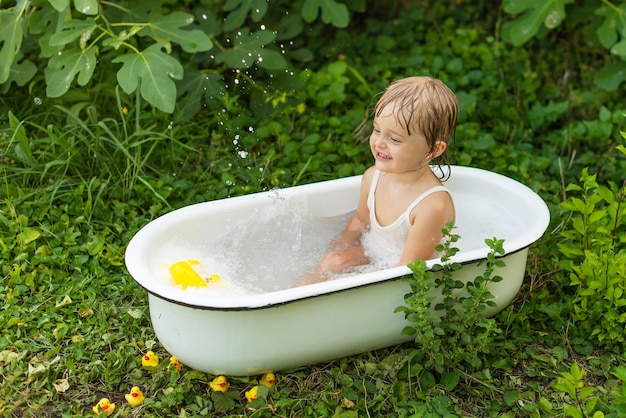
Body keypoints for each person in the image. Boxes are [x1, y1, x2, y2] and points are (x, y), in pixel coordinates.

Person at [292, 76, 458, 287]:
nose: (379, 142)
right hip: (379, 255)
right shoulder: (373, 177)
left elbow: (410, 269)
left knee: (335, 265)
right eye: (377, 130)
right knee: (331, 261)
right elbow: (360, 222)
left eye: (395, 139)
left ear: (433, 150)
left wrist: (357, 277)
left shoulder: (431, 206)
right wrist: (340, 245)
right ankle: (283, 299)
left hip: (404, 271)